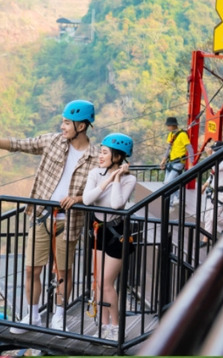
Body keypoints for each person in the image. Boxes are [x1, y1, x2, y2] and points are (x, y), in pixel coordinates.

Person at [0, 100, 99, 335]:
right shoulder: (53, 142)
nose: (62, 126)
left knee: (64, 273)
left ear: (81, 126)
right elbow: (19, 144)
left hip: (70, 221)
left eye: (67, 123)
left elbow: (102, 187)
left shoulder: (95, 157)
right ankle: (33, 316)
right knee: (31, 270)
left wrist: (78, 197)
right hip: (41, 216)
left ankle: (59, 317)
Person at [82, 133, 137, 341]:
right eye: (100, 151)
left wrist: (116, 179)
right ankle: (103, 326)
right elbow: (87, 199)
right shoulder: (95, 173)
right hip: (98, 231)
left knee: (106, 283)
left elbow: (116, 205)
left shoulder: (129, 178)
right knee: (97, 283)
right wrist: (108, 180)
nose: (100, 156)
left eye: (104, 152)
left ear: (117, 156)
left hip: (117, 233)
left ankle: (116, 326)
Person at [200, 141, 223, 247]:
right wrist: (204, 185)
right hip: (213, 191)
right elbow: (212, 175)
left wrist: (209, 155)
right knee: (208, 215)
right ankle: (206, 238)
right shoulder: (218, 160)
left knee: (214, 216)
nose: (213, 152)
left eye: (215, 151)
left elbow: (215, 168)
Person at [159, 117, 194, 206]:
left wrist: (190, 163)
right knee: (166, 184)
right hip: (170, 162)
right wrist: (163, 160)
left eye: (169, 125)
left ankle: (170, 204)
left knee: (168, 183)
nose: (168, 127)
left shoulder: (182, 135)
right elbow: (168, 148)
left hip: (179, 162)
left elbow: (190, 149)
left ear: (174, 125)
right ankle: (178, 199)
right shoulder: (171, 134)